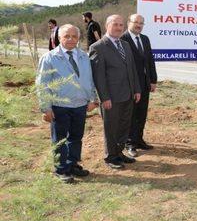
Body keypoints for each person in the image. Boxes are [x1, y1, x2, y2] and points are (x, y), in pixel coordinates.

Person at [36, 24, 99, 182]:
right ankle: (61, 169)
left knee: (76, 137)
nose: (71, 39)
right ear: (59, 38)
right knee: (60, 139)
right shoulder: (49, 58)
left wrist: (93, 99)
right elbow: (42, 84)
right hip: (60, 106)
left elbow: (89, 79)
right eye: (67, 36)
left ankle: (72, 164)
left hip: (80, 105)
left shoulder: (84, 56)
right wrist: (46, 108)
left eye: (74, 36)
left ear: (79, 38)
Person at [90, 15, 141, 169]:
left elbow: (132, 70)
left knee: (124, 126)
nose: (119, 28)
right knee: (111, 128)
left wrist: (137, 89)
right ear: (107, 25)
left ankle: (119, 153)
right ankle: (110, 157)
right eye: (115, 24)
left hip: (128, 94)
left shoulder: (125, 45)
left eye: (121, 24)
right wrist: (104, 98)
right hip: (111, 97)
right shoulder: (98, 47)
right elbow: (98, 77)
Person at [121, 14, 158, 157]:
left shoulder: (145, 39)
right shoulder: (123, 39)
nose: (138, 25)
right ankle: (130, 143)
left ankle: (139, 139)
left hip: (144, 83)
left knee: (142, 113)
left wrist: (153, 80)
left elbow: (150, 61)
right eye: (136, 22)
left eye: (141, 23)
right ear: (129, 22)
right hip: (130, 84)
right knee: (131, 114)